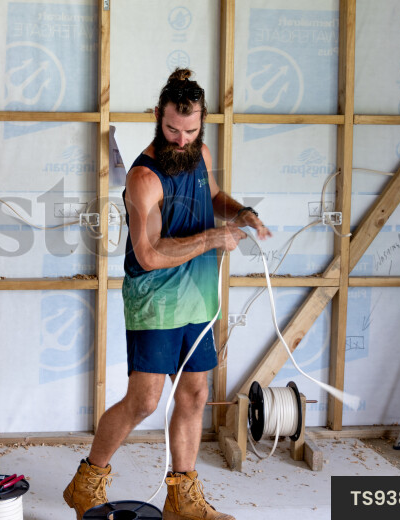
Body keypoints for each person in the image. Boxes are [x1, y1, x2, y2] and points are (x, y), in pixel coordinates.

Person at [63, 68, 272, 520]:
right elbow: (150, 254)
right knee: (144, 400)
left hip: (198, 295)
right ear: (158, 116)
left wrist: (242, 213)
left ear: (202, 122)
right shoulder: (144, 177)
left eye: (191, 131)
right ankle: (86, 483)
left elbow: (212, 196)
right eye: (173, 130)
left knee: (195, 394)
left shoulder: (201, 153)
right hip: (156, 299)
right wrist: (213, 238)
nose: (181, 141)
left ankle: (181, 498)